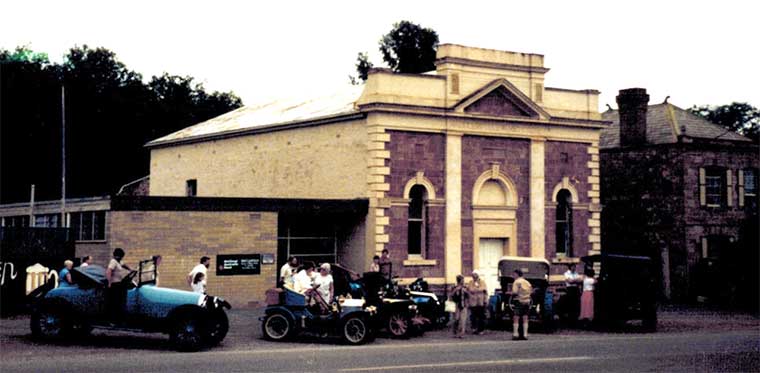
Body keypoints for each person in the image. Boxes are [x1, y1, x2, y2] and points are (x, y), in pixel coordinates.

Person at [106, 248, 131, 322]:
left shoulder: (119, 262)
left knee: (120, 302)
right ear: (117, 255)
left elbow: (124, 265)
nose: (121, 258)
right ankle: (113, 320)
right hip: (115, 284)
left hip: (119, 284)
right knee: (115, 302)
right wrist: (109, 282)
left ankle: (119, 318)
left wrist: (130, 269)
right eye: (120, 256)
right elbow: (108, 271)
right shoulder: (113, 261)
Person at [511, 269, 533, 340]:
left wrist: (510, 293)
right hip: (527, 301)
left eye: (514, 274)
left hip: (518, 301)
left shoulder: (516, 282)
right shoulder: (526, 282)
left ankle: (515, 334)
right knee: (525, 317)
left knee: (516, 317)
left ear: (517, 274)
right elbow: (531, 290)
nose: (513, 276)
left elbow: (515, 292)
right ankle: (525, 334)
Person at [466, 270, 488, 335]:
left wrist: (485, 300)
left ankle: (481, 330)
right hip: (473, 302)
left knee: (481, 316)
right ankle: (474, 328)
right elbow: (470, 289)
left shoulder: (482, 282)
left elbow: (484, 290)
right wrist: (478, 289)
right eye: (473, 275)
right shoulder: (470, 282)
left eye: (475, 275)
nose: (474, 276)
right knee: (473, 316)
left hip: (481, 302)